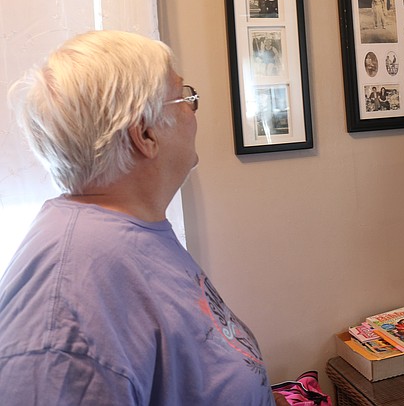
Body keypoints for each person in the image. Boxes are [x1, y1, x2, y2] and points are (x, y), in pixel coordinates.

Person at [0, 31, 288, 406]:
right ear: (146, 134)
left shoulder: (130, 230)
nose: (194, 111)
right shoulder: (66, 311)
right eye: (186, 97)